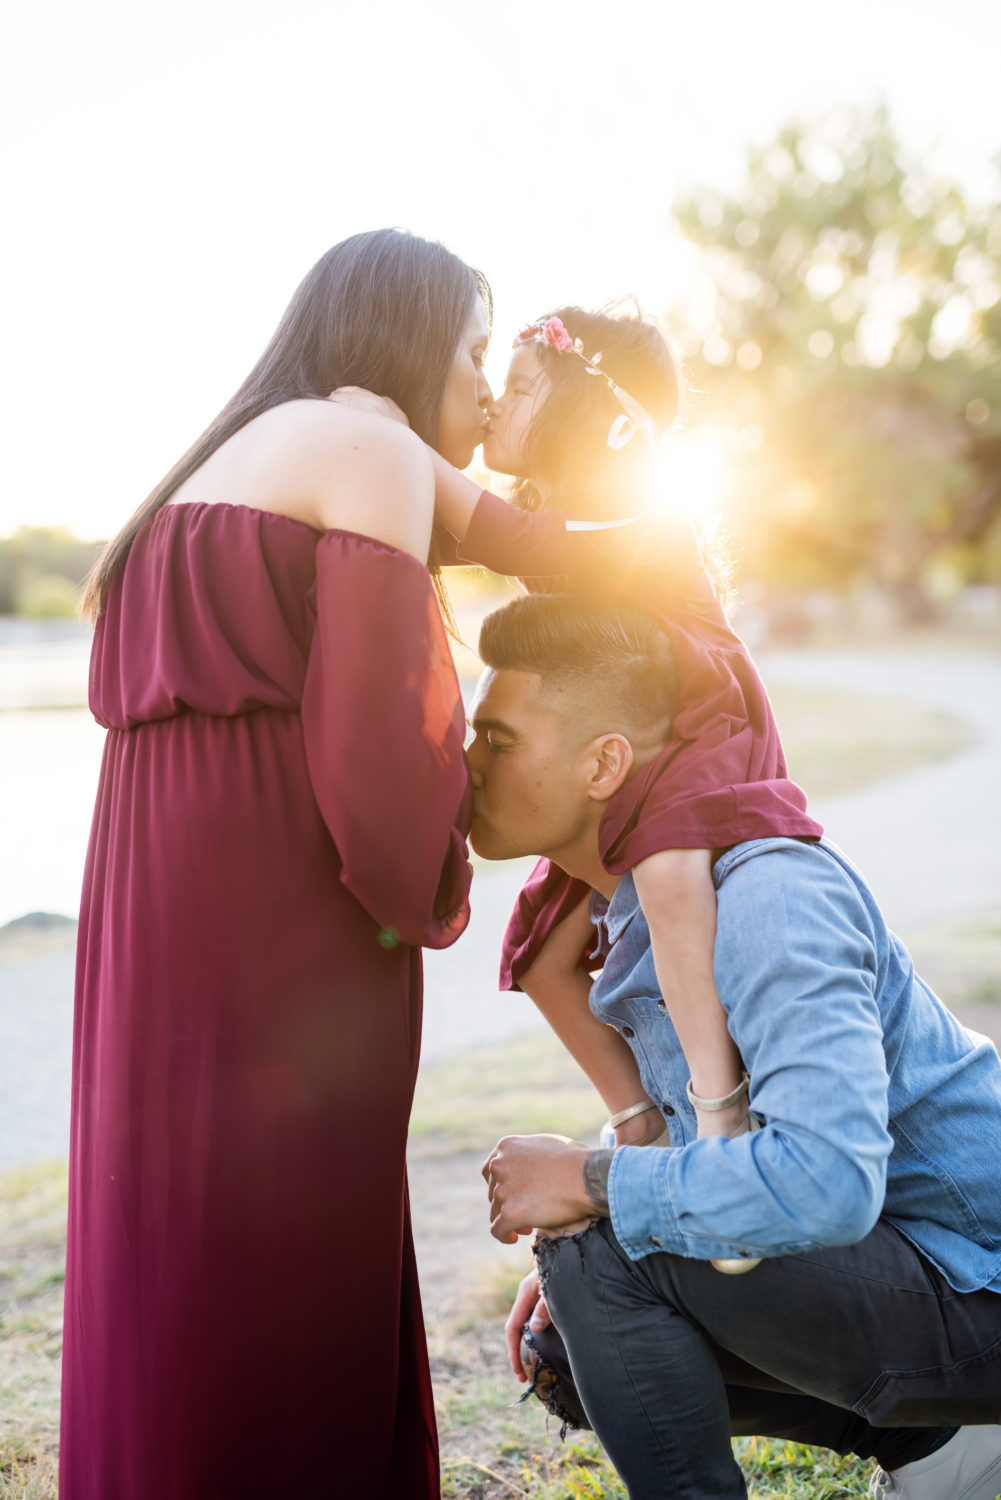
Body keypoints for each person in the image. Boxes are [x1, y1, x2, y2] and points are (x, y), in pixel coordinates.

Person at [63, 228, 494, 1500]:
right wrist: (437, 863)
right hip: (280, 908)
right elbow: (380, 747)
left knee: (170, 1228)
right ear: (410, 346)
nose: (482, 381)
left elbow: (509, 528)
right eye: (474, 350)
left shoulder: (235, 452)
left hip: (151, 898)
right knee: (281, 1234)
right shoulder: (367, 443)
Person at [470, 590, 1001, 1500]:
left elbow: (825, 1182)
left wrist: (590, 1186)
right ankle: (947, 1450)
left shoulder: (764, 899)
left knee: (598, 1252)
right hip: (917, 1272)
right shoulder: (632, 912)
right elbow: (717, 1135)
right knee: (567, 1340)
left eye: (496, 738)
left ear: (603, 763)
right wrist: (599, 1199)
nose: (465, 761)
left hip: (978, 1275)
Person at [429, 306, 821, 1185]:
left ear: (581, 406)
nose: (495, 401)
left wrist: (401, 454)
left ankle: (719, 1119)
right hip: (626, 723)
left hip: (696, 710)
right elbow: (445, 535)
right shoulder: (540, 503)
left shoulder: (633, 492)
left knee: (670, 869)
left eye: (522, 386)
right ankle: (643, 1124)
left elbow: (504, 536)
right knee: (541, 953)